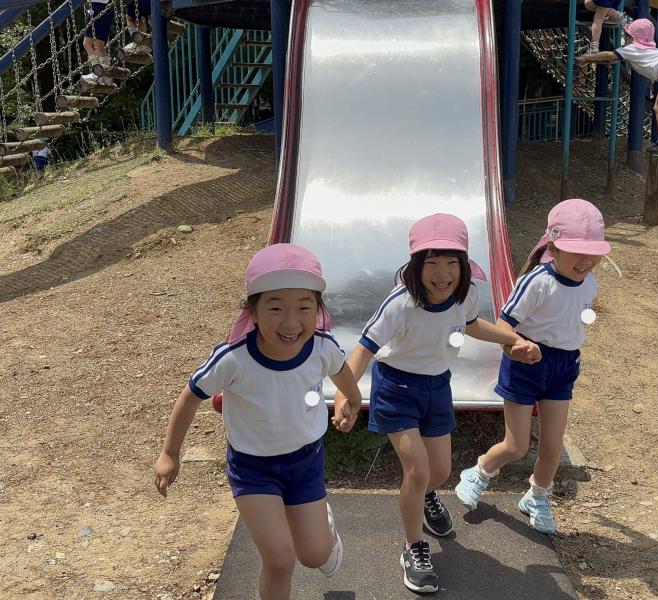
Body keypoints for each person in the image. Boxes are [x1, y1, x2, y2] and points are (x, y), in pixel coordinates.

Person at [335, 213, 539, 594]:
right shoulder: (401, 304)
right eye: (432, 263)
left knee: (440, 470)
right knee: (416, 470)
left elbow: (472, 324)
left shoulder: (465, 295)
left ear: (463, 266)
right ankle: (413, 547)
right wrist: (346, 392)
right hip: (396, 388)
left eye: (451, 263)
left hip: (436, 387)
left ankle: (423, 497)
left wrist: (511, 340)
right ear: (416, 265)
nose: (442, 274)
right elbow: (364, 348)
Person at [154, 243, 363, 600]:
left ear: (317, 309)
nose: (291, 322)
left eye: (304, 307)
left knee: (314, 555)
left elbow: (342, 374)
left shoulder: (322, 347)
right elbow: (190, 395)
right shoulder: (233, 359)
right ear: (252, 310)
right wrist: (170, 453)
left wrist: (351, 401)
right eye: (276, 308)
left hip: (306, 461)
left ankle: (322, 526)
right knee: (280, 561)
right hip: (253, 467)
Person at [455, 199, 611, 535]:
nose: (585, 260)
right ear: (553, 248)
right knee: (517, 446)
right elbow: (503, 325)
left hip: (563, 367)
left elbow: (574, 314)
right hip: (525, 364)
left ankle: (536, 497)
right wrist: (516, 348)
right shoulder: (537, 281)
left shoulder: (590, 283)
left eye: (593, 253)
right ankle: (479, 472)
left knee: (552, 448)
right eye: (576, 251)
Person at [577, 18, 658, 154]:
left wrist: (587, 58)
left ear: (633, 37)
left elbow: (610, 56)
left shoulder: (632, 49)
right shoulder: (649, 50)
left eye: (628, 36)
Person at [81, 0, 114, 84]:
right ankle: (106, 76)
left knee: (87, 44)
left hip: (96, 9)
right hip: (105, 9)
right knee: (99, 45)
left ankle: (97, 73)